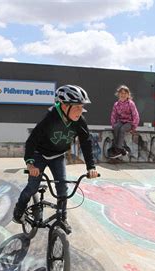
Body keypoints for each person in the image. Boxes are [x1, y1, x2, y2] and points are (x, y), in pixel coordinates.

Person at [13, 84, 99, 231]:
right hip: (39, 155)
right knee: (33, 186)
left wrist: (91, 167)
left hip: (58, 156)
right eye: (77, 107)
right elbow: (31, 141)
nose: (81, 111)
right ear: (65, 106)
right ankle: (19, 208)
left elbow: (86, 142)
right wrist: (30, 164)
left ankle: (62, 219)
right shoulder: (50, 119)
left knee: (62, 189)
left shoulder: (79, 121)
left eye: (82, 106)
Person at [109, 85, 140, 158]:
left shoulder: (130, 103)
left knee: (122, 129)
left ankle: (119, 149)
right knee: (116, 127)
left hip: (129, 122)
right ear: (118, 94)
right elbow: (113, 115)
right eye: (121, 93)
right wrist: (113, 125)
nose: (123, 95)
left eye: (125, 93)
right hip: (121, 121)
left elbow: (136, 115)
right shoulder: (116, 104)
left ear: (128, 94)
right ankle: (118, 148)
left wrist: (134, 127)